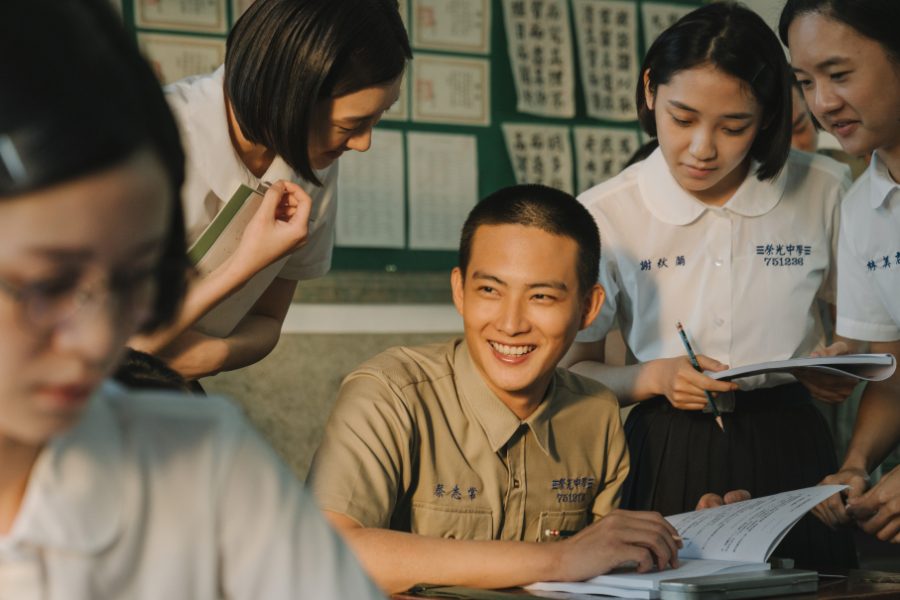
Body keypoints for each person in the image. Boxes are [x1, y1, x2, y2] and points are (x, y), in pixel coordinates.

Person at [0, 1, 384, 597]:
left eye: (137, 281)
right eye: (49, 286)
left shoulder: (208, 459)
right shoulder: (177, 128)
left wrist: (204, 353)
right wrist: (246, 261)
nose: (100, 339)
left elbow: (260, 326)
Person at [562, 2, 858, 570]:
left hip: (793, 442)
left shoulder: (824, 189)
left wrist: (839, 363)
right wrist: (651, 376)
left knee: (815, 585)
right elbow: (575, 373)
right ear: (650, 91)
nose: (702, 148)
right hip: (669, 443)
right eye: (682, 117)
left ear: (769, 115)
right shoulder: (607, 212)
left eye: (733, 127)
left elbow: (860, 330)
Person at [307, 184, 683, 593]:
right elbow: (327, 551)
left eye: (541, 296)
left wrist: (686, 538)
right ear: (459, 291)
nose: (510, 323)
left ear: (589, 309)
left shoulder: (596, 413)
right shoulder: (390, 395)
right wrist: (559, 558)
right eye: (490, 290)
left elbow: (606, 565)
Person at [128, 0, 412, 381]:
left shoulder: (313, 163)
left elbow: (267, 320)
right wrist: (244, 265)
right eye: (351, 126)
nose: (363, 143)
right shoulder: (147, 140)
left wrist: (215, 355)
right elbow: (114, 344)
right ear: (288, 95)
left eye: (378, 117)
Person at [779, 0, 900, 542]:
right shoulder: (860, 209)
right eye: (805, 81)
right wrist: (856, 464)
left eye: (839, 74)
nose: (823, 103)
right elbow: (895, 361)